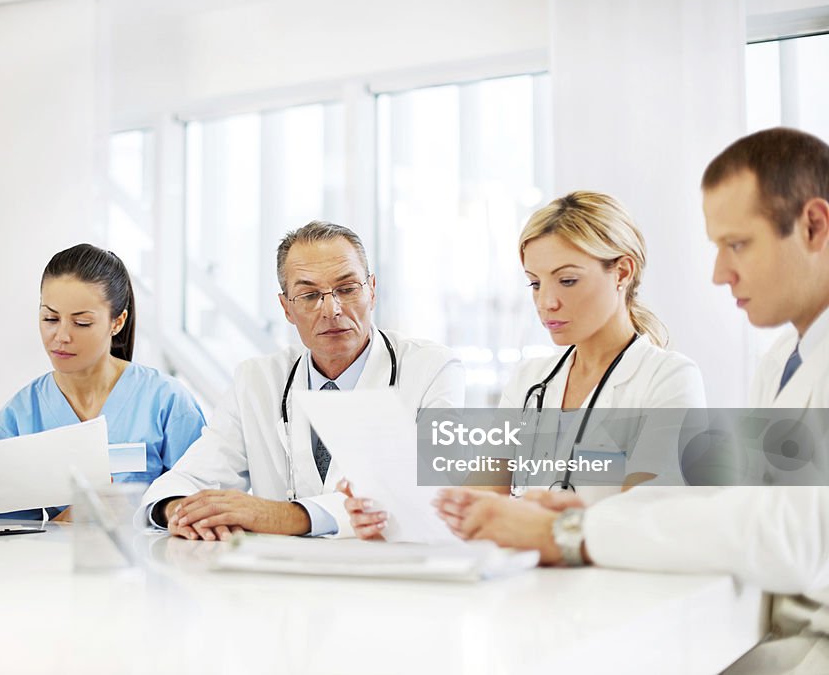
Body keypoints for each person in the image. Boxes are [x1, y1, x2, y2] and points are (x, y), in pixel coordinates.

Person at [434, 127, 829, 674]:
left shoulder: (670, 377)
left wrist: (566, 530)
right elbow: (748, 514)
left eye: (736, 244)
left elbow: (779, 538)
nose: (719, 273)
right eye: (533, 283)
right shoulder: (781, 359)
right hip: (766, 629)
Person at [345, 191, 706, 539]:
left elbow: (647, 520)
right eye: (535, 283)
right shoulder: (531, 380)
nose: (547, 302)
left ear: (623, 272)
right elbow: (476, 505)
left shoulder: (670, 378)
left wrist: (536, 523)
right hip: (531, 589)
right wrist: (390, 514)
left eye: (567, 280)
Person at [135, 221, 465, 541]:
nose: (332, 309)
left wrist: (278, 516)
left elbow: (432, 492)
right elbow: (189, 477)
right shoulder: (257, 379)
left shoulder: (432, 369)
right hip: (284, 586)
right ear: (286, 308)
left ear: (372, 290)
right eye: (308, 296)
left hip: (389, 580)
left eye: (347, 289)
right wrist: (180, 511)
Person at [0, 244, 205, 520]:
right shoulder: (14, 420)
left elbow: (200, 506)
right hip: (48, 562)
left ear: (117, 322)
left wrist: (136, 516)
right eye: (50, 318)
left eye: (82, 323)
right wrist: (64, 523)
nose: (61, 336)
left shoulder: (168, 403)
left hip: (155, 560)